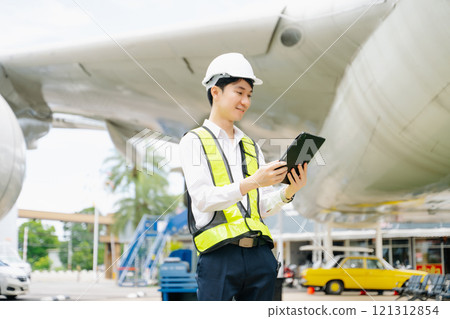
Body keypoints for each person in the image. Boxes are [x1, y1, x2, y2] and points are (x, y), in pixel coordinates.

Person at [179, 52, 308, 301]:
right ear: (215, 92)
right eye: (239, 92)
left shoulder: (250, 146)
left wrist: (288, 191)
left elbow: (260, 208)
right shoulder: (193, 141)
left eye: (249, 95)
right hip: (219, 258)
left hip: (260, 257)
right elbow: (203, 199)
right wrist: (253, 182)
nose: (245, 101)